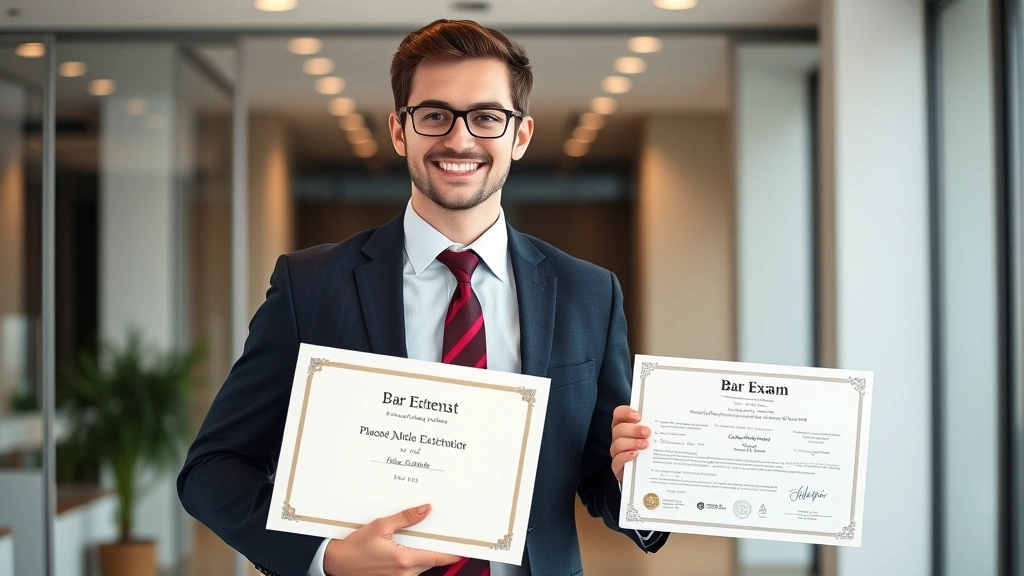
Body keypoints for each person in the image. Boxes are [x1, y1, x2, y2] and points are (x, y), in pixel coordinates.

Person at [177, 19, 667, 576]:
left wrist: (638, 480)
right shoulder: (311, 286)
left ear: (521, 135)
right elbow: (213, 469)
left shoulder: (587, 292)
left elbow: (599, 481)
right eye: (434, 115)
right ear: (399, 130)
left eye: (487, 117)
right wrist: (323, 558)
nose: (459, 140)